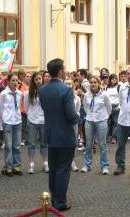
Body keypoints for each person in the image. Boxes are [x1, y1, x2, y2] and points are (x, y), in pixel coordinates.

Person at [39, 58, 79, 211]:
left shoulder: (43, 89)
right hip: (65, 135)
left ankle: (54, 197)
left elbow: (45, 109)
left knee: (54, 168)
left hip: (50, 133)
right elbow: (70, 115)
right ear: (61, 71)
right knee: (63, 169)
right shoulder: (66, 89)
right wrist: (77, 115)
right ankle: (60, 201)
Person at [81, 76, 111, 174]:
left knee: (102, 144)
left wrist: (104, 117)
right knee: (89, 144)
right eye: (91, 82)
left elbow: (108, 108)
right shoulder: (87, 95)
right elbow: (86, 107)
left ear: (98, 83)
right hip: (89, 120)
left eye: (95, 82)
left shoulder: (104, 95)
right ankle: (87, 165)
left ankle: (105, 166)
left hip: (101, 120)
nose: (93, 84)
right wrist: (90, 115)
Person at [0, 73, 23, 177]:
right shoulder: (4, 94)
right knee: (8, 145)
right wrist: (3, 119)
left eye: (16, 80)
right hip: (8, 121)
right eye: (13, 80)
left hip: (17, 121)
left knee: (16, 145)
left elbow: (20, 106)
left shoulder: (19, 93)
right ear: (8, 82)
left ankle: (16, 166)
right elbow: (0, 108)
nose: (15, 82)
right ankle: (8, 167)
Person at [24, 72, 48, 174]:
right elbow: (26, 107)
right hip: (33, 119)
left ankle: (45, 163)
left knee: (44, 142)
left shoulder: (46, 91)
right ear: (33, 81)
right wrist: (30, 116)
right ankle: (31, 165)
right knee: (32, 142)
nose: (38, 81)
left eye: (39, 79)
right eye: (36, 79)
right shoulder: (28, 93)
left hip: (43, 119)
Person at [63, 78, 80, 172]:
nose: (67, 85)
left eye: (69, 84)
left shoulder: (76, 98)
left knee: (73, 142)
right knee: (63, 142)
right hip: (63, 123)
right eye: (65, 83)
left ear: (73, 85)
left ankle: (72, 161)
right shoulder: (60, 96)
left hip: (73, 123)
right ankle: (64, 162)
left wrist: (76, 115)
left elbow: (77, 110)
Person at [105, 74, 120, 144]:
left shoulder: (119, 87)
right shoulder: (106, 88)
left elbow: (122, 98)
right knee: (107, 122)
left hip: (116, 106)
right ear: (110, 79)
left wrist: (119, 106)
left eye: (115, 78)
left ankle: (114, 137)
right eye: (113, 78)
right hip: (108, 106)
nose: (114, 80)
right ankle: (105, 137)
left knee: (115, 122)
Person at [17, 71, 31, 146]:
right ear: (24, 77)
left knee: (30, 125)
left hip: (31, 109)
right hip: (22, 108)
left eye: (30, 77)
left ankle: (29, 138)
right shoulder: (19, 86)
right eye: (27, 76)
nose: (29, 78)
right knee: (23, 124)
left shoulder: (33, 86)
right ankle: (24, 138)